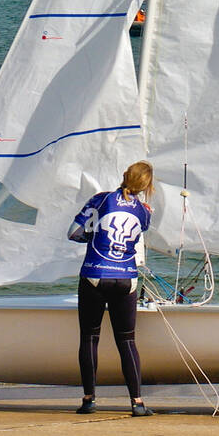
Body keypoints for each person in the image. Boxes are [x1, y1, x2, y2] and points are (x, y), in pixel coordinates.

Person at [68, 161, 154, 417]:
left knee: (89, 338)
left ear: (124, 176)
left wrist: (91, 236)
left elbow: (73, 233)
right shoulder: (145, 211)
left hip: (95, 275)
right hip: (126, 279)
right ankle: (137, 403)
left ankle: (89, 400)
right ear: (146, 186)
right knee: (127, 341)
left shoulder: (101, 199)